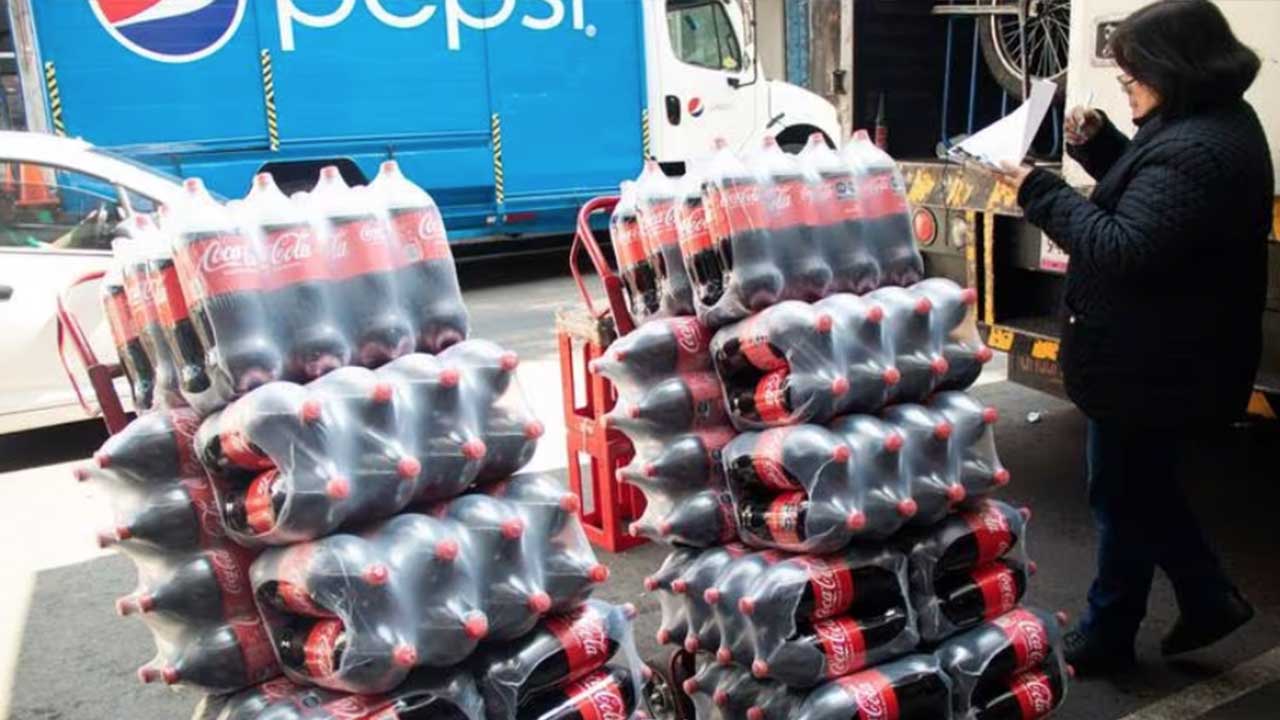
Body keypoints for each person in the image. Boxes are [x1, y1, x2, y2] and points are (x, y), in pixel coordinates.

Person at [993, 0, 1271, 676]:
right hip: (1161, 353)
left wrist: (1039, 191)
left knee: (1122, 494)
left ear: (1176, 68)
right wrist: (1099, 145)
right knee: (1139, 489)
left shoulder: (1201, 146)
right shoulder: (1205, 123)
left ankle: (1111, 630)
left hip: (1155, 361)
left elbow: (1124, 246)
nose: (1126, 85)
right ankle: (1205, 598)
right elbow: (1154, 194)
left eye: (1133, 75)